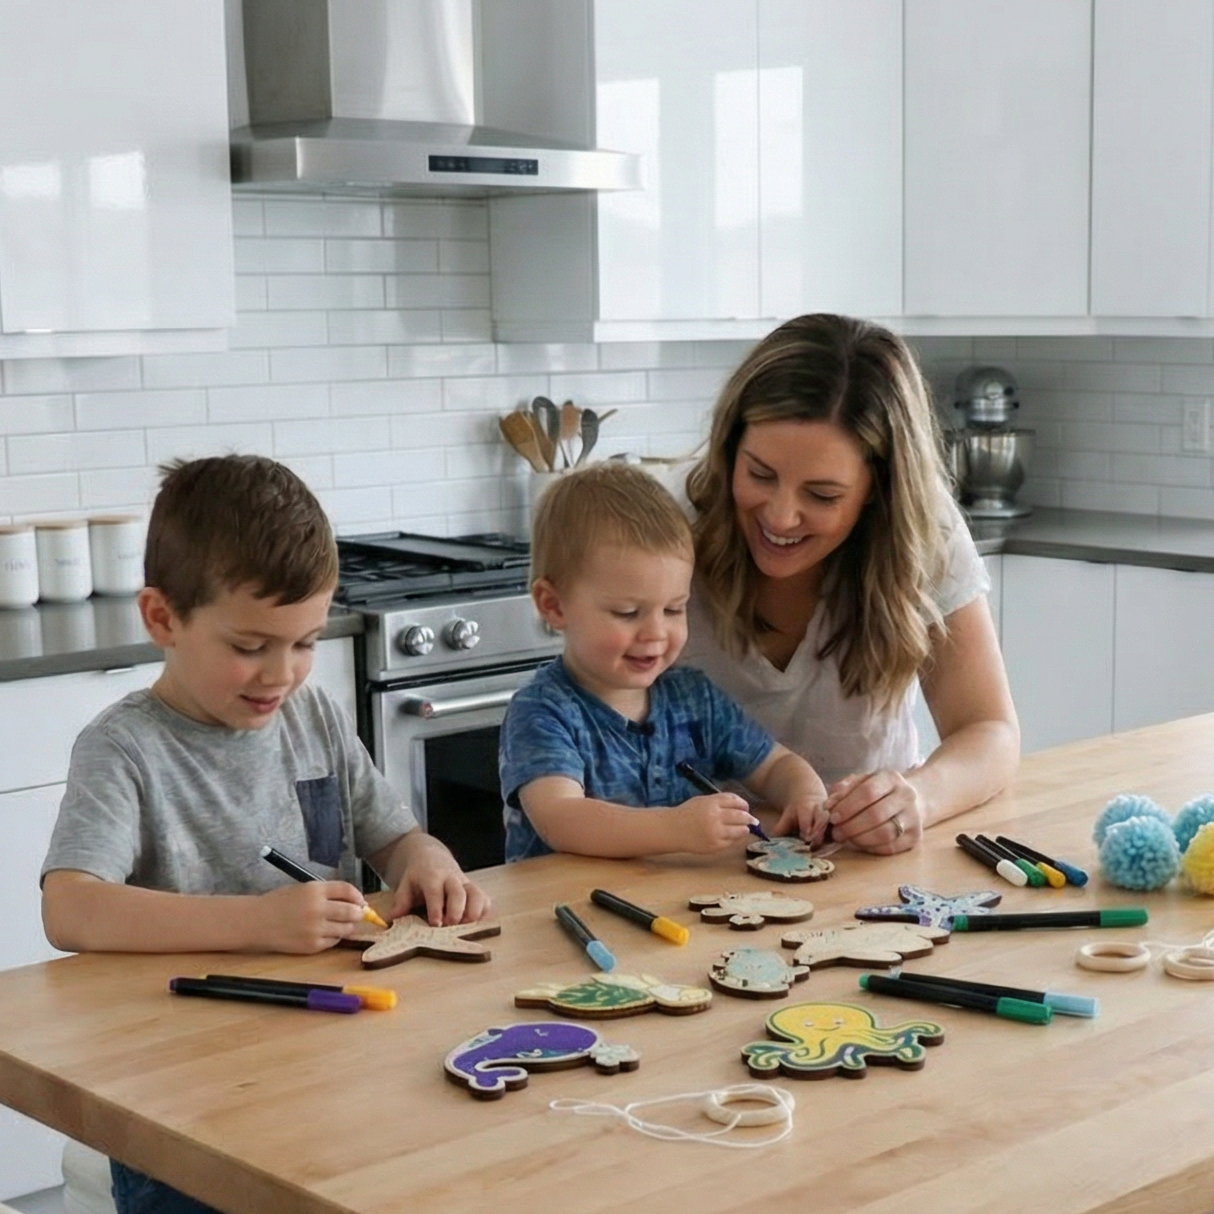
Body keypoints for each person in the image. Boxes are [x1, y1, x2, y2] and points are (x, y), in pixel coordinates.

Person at [41, 455, 490, 1214]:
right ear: (163, 619)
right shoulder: (123, 749)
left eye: (306, 642)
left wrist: (428, 861)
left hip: (325, 1071)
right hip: (180, 1107)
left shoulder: (311, 717)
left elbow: (394, 837)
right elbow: (70, 908)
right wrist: (257, 921)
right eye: (250, 646)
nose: (281, 675)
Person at [681, 313, 1019, 856]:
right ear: (728, 450)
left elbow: (989, 730)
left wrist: (919, 797)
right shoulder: (666, 529)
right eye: (760, 474)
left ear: (878, 494)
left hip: (862, 866)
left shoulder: (924, 532)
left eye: (822, 495)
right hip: (682, 867)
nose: (781, 516)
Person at [499, 462, 829, 862]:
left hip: (668, 897)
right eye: (627, 613)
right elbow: (562, 818)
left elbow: (775, 766)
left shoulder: (694, 698)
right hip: (562, 899)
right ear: (553, 605)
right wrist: (676, 828)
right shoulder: (542, 711)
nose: (656, 633)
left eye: (674, 609)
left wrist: (806, 795)